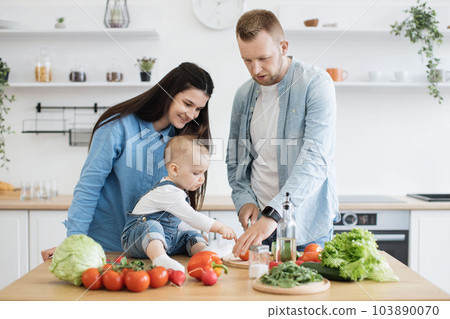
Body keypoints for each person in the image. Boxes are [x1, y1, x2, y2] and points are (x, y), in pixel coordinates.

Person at [41, 62, 214, 260]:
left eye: (198, 109)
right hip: (106, 247)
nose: (191, 115)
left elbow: (176, 199)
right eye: (187, 104)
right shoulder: (118, 126)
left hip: (154, 250)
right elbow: (89, 187)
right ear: (167, 92)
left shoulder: (183, 142)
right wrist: (74, 243)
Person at [228, 10, 340, 257]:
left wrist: (275, 212)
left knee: (309, 293)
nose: (256, 69)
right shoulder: (243, 95)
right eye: (247, 60)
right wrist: (244, 199)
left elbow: (316, 158)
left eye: (263, 58)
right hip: (260, 229)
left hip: (307, 227)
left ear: (283, 46)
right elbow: (235, 158)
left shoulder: (316, 83)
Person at [121, 135, 236, 271]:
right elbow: (192, 217)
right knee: (152, 225)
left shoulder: (177, 192)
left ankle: (205, 252)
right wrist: (220, 227)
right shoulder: (168, 191)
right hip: (136, 240)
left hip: (166, 240)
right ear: (175, 170)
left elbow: (180, 222)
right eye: (196, 173)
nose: (202, 179)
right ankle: (160, 259)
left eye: (203, 173)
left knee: (190, 234)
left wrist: (196, 235)